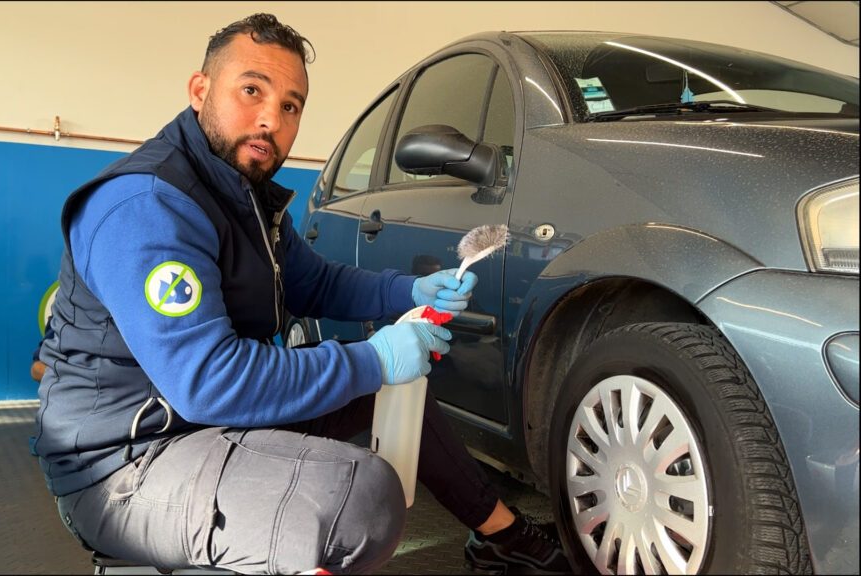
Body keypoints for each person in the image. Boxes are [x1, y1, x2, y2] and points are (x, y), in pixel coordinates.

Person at [35, 13, 568, 575]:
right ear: (200, 90)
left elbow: (315, 282)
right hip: (125, 466)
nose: (271, 119)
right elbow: (207, 381)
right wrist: (373, 357)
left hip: (206, 427)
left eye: (290, 106)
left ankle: (502, 536)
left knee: (393, 389)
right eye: (251, 91)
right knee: (357, 500)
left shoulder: (246, 193)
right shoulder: (148, 207)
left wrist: (407, 289)